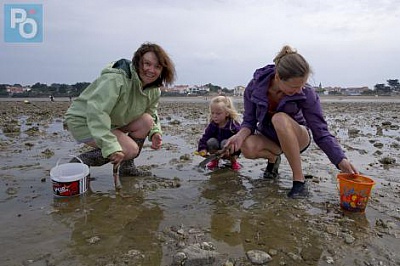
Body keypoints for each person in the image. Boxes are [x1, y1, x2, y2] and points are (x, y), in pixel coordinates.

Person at [225, 45, 358, 198]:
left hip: (298, 136)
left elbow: (321, 132)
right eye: (294, 87)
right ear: (277, 78)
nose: (300, 90)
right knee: (247, 147)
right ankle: (274, 158)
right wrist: (239, 137)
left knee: (279, 118)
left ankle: (299, 182)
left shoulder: (307, 92)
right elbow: (249, 122)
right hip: (270, 137)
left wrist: (340, 160)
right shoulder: (254, 88)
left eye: (303, 84)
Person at [65, 42, 176, 176]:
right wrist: (110, 146)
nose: (151, 70)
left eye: (157, 67)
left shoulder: (154, 90)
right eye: (147, 64)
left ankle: (127, 167)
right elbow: (97, 112)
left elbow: (151, 113)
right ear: (137, 62)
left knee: (147, 120)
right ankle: (78, 163)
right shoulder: (116, 79)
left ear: (162, 70)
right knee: (130, 149)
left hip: (112, 121)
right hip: (84, 120)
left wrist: (155, 132)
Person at [197, 96, 241, 171]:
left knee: (225, 142)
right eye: (212, 113)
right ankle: (214, 161)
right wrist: (202, 149)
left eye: (218, 113)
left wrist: (236, 150)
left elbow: (240, 138)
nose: (214, 116)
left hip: (229, 150)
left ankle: (233, 162)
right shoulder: (212, 125)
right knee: (211, 141)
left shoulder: (233, 125)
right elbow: (205, 137)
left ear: (227, 113)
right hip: (216, 150)